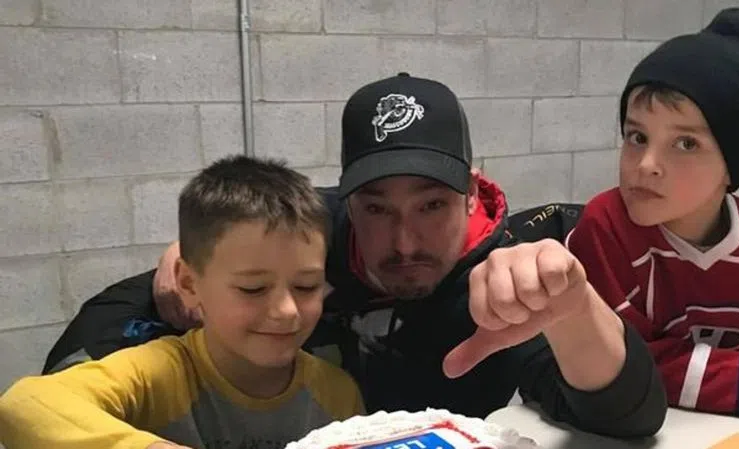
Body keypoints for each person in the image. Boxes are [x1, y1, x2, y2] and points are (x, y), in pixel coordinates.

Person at [43, 73, 667, 438]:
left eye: (431, 206)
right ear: (348, 199)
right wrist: (170, 289)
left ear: (472, 193)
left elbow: (629, 418)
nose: (405, 243)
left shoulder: (503, 276)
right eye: (376, 208)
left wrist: (576, 311)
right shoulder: (310, 231)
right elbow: (100, 333)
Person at [0, 156, 364, 448]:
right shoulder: (159, 373)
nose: (286, 311)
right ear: (189, 284)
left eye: (306, 286)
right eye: (253, 289)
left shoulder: (337, 393)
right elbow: (24, 405)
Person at [565, 8, 739, 421]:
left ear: (734, 166)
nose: (646, 165)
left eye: (686, 144)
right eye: (637, 136)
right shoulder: (604, 230)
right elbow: (632, 369)